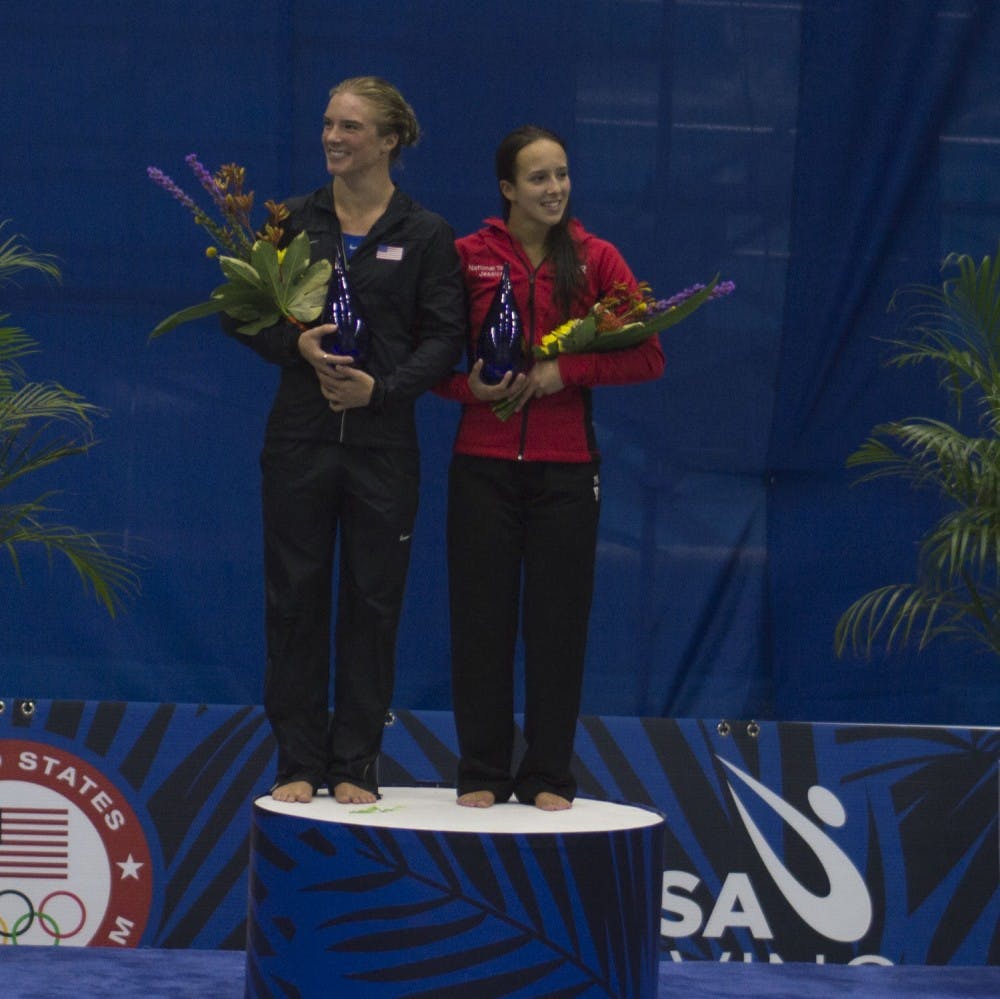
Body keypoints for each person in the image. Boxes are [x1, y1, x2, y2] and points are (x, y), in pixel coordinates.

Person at [226, 77, 466, 805]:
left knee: (371, 602)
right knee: (294, 599)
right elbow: (239, 310)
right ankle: (298, 758)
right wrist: (293, 349)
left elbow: (447, 336)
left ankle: (355, 761)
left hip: (383, 448)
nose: (333, 137)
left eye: (351, 127)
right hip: (299, 440)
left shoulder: (425, 234)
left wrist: (382, 390)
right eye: (329, 123)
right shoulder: (290, 221)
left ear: (389, 140)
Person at [436, 125, 666, 810]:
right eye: (538, 178)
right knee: (481, 622)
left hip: (567, 471)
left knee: (557, 626)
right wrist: (467, 390)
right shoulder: (466, 258)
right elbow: (428, 360)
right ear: (507, 188)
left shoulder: (597, 259)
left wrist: (566, 370)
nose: (555, 188)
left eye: (562, 174)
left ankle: (546, 774)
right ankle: (481, 769)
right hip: (480, 465)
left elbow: (649, 354)